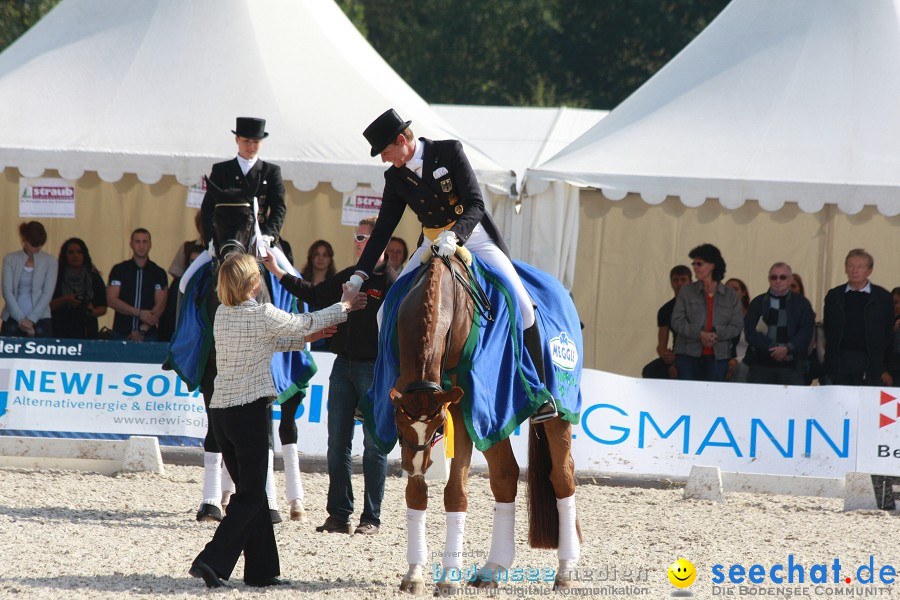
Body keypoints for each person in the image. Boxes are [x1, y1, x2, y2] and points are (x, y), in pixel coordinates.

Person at [349, 108, 556, 421]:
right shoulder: (395, 176)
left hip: (474, 236)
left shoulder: (448, 152)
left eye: (386, 151)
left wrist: (455, 234)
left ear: (402, 140)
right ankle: (380, 393)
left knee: (524, 307)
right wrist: (359, 274)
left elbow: (475, 203)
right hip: (431, 241)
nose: (383, 159)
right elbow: (383, 229)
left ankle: (538, 392)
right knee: (384, 312)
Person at [189, 253, 366, 589]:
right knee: (253, 496)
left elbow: (275, 339)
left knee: (251, 492)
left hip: (223, 415)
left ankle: (262, 571)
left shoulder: (223, 315)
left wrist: (305, 338)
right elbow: (303, 323)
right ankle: (210, 560)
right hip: (248, 413)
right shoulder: (262, 313)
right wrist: (343, 306)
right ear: (252, 282)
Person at [262, 217, 392, 536]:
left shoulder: (393, 282)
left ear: (382, 243)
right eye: (357, 237)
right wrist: (278, 271)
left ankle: (371, 518)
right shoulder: (349, 276)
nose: (358, 242)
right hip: (342, 365)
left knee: (375, 446)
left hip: (374, 370)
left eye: (364, 237)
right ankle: (339, 515)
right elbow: (314, 294)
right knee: (337, 445)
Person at [200, 117, 285, 248]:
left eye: (255, 142)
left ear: (261, 142)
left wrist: (269, 234)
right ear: (237, 140)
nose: (251, 146)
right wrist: (210, 238)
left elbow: (279, 208)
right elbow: (207, 207)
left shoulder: (271, 171)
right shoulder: (221, 170)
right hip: (225, 239)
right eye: (246, 141)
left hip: (260, 238)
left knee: (285, 268)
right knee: (196, 269)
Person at [670, 244, 743, 382]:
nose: (695, 267)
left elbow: (737, 325)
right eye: (694, 263)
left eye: (699, 263)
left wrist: (717, 334)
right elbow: (677, 321)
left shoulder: (730, 295)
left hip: (719, 356)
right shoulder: (686, 292)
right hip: (687, 355)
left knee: (712, 398)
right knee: (688, 397)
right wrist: (699, 334)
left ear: (712, 265)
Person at [822, 249, 894, 386]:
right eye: (851, 266)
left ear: (869, 271)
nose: (854, 270)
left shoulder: (882, 297)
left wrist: (883, 367)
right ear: (845, 268)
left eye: (860, 267)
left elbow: (887, 333)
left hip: (870, 362)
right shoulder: (834, 296)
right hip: (839, 360)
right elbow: (828, 329)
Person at [743, 262, 815, 385]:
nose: (778, 281)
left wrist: (787, 349)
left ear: (790, 280)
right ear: (768, 279)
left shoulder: (802, 304)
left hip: (792, 367)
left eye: (782, 277)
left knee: (792, 403)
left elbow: (806, 333)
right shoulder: (758, 303)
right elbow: (750, 332)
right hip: (761, 366)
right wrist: (772, 348)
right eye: (774, 277)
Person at [106, 228, 168, 341]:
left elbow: (161, 305)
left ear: (150, 244)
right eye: (137, 241)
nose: (141, 246)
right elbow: (111, 300)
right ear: (131, 244)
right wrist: (139, 313)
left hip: (148, 335)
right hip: (120, 333)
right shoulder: (119, 270)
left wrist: (142, 330)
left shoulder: (159, 273)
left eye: (145, 241)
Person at [1, 221, 57, 338]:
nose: (37, 248)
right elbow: (7, 291)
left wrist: (31, 319)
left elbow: (48, 293)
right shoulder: (10, 259)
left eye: (40, 244)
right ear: (24, 240)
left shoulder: (50, 261)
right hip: (13, 316)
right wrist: (21, 319)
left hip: (41, 317)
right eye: (34, 244)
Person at [49, 238, 108, 339]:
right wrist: (66, 300)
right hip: (60, 329)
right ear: (65, 255)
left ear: (84, 255)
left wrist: (92, 311)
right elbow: (47, 306)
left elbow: (103, 307)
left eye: (79, 252)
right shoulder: (55, 277)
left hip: (87, 330)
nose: (75, 255)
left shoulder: (94, 278)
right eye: (71, 252)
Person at [641, 265, 692, 379]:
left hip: (698, 355)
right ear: (671, 283)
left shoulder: (700, 306)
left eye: (683, 280)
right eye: (676, 280)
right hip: (677, 355)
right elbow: (661, 345)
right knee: (650, 370)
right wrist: (665, 355)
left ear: (690, 282)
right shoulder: (665, 310)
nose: (679, 284)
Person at [725, 277, 751, 382]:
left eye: (735, 289)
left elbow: (757, 348)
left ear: (743, 292)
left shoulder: (755, 317)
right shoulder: (719, 317)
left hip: (746, 362)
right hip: (724, 362)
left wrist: (737, 361)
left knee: (742, 369)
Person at [168, 212, 203, 280]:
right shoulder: (186, 247)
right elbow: (177, 273)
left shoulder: (219, 248)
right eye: (203, 223)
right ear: (198, 225)